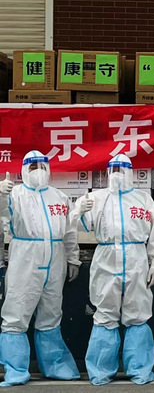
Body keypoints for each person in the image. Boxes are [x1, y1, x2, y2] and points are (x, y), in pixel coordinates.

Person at [72, 153, 154, 386]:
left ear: (131, 172)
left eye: (122, 169)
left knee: (138, 313)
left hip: (137, 257)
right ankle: (101, 370)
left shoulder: (143, 199)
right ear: (106, 173)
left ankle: (140, 369)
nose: (117, 174)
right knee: (105, 313)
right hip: (106, 257)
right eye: (113, 169)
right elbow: (79, 226)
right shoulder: (96, 198)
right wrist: (79, 211)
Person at [0, 151, 80, 386]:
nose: (38, 170)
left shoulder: (60, 197)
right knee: (16, 312)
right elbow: (2, 215)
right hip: (25, 257)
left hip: (55, 258)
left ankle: (55, 366)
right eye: (33, 166)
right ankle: (15, 370)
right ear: (24, 169)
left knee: (51, 313)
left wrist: (73, 258)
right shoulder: (14, 194)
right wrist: (0, 195)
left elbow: (69, 230)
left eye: (42, 166)